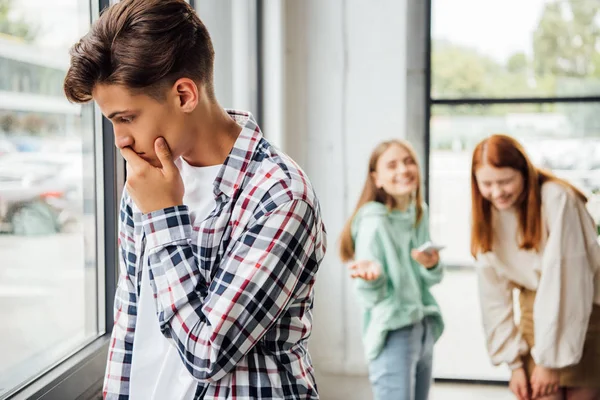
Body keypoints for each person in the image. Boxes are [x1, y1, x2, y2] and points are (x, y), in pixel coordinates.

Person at [63, 1, 327, 399]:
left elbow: (207, 353)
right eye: (112, 121)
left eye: (126, 118)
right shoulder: (146, 180)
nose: (119, 141)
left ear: (185, 95)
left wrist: (164, 215)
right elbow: (131, 313)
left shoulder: (280, 194)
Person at [471, 134, 600, 400]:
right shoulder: (486, 212)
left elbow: (567, 281)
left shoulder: (557, 198)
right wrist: (514, 364)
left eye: (505, 181)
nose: (497, 192)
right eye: (487, 184)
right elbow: (493, 297)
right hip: (535, 315)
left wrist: (549, 361)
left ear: (524, 172)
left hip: (584, 314)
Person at [339, 139, 445, 400]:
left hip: (422, 327)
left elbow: (428, 279)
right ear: (377, 178)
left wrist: (431, 265)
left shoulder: (418, 212)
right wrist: (371, 279)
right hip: (393, 333)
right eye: (392, 165)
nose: (403, 170)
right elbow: (367, 297)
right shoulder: (373, 222)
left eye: (409, 161)